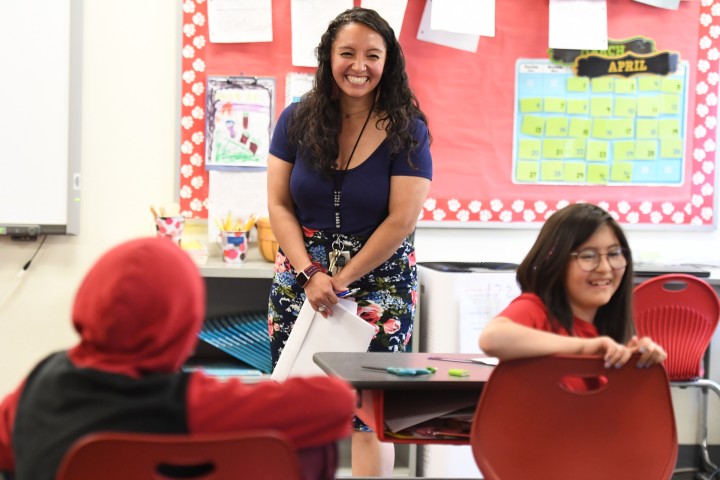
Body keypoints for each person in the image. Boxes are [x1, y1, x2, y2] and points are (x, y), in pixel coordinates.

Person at [0, 237, 355, 480]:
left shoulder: (40, 383)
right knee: (310, 450)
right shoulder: (192, 402)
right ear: (183, 326)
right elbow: (336, 402)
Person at [266, 6, 432, 477]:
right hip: (300, 280)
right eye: (347, 53)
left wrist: (340, 279)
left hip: (382, 285)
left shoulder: (408, 130)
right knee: (296, 411)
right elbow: (279, 206)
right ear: (328, 57)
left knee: (369, 419)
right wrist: (310, 274)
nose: (359, 65)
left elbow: (401, 219)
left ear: (388, 62)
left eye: (372, 55)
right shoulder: (296, 120)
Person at [479, 203, 667, 369]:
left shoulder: (607, 327)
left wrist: (637, 362)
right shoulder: (537, 309)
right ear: (557, 262)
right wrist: (585, 348)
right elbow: (492, 338)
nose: (604, 268)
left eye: (614, 253)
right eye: (588, 255)